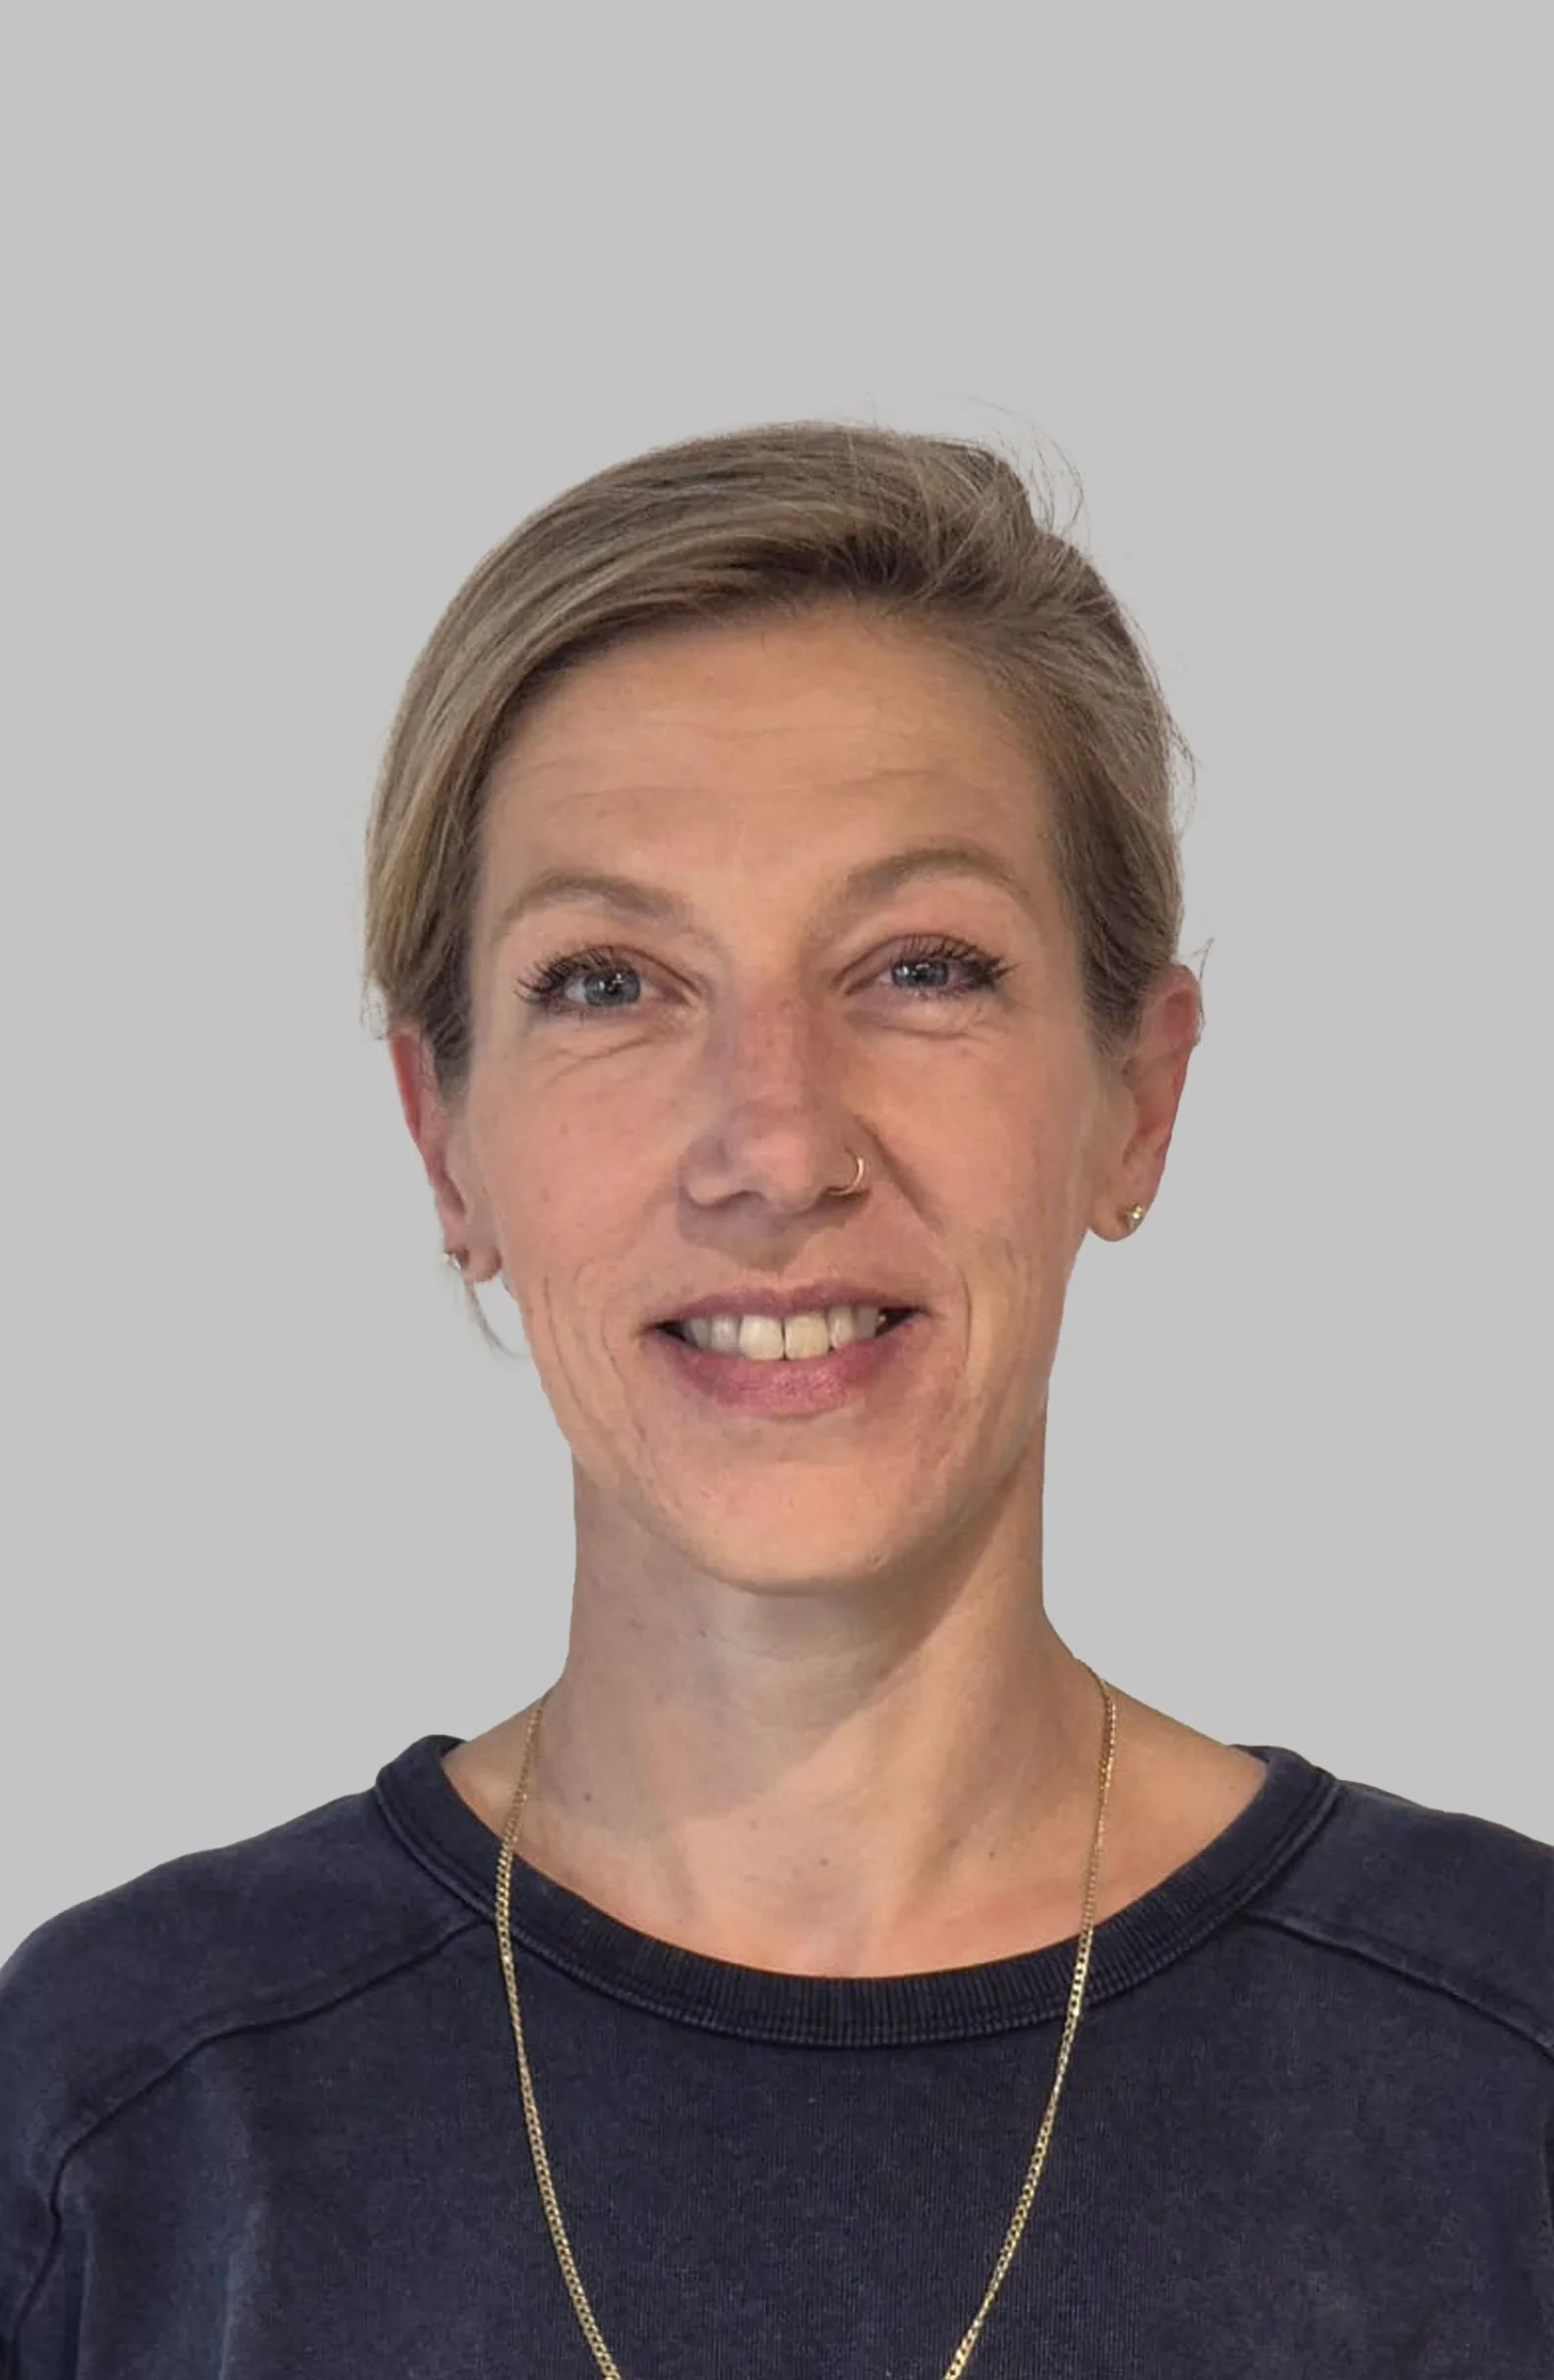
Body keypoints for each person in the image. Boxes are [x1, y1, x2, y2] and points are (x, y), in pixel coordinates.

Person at [2, 422, 1550, 2378]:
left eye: (918, 965)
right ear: (444, 1140)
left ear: (1135, 1096)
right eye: (608, 982)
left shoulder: (1501, 2076)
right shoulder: (126, 2119)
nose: (775, 1141)